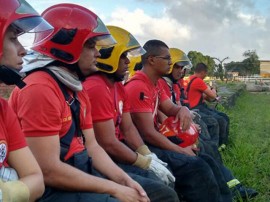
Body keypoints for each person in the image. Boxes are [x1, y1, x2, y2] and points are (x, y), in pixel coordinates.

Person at [8, 4, 155, 202]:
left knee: (154, 192)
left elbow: (93, 146)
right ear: (67, 46)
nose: (98, 53)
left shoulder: (75, 88)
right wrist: (114, 189)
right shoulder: (41, 89)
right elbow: (47, 170)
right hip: (52, 189)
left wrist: (124, 181)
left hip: (78, 170)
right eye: (91, 46)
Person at [125, 39, 232, 201]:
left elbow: (170, 108)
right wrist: (181, 150)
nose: (170, 62)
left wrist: (183, 110)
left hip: (154, 139)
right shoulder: (138, 86)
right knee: (196, 165)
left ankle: (230, 191)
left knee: (203, 156)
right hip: (142, 146)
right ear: (151, 60)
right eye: (167, 58)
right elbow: (148, 133)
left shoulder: (156, 83)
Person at [83, 25, 179, 201]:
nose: (128, 62)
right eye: (123, 56)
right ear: (107, 55)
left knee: (164, 179)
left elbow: (128, 128)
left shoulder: (118, 87)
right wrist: (142, 161)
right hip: (102, 158)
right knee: (163, 192)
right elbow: (108, 143)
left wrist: (147, 154)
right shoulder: (97, 87)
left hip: (116, 151)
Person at [158, 48, 258, 200]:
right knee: (206, 144)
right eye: (177, 66)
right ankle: (230, 188)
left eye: (182, 67)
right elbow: (162, 119)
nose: (181, 70)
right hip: (171, 132)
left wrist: (189, 125)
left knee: (209, 144)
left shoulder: (172, 85)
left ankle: (232, 186)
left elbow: (176, 109)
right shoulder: (157, 85)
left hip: (179, 126)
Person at [0, 0, 55, 201]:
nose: (23, 50)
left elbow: (37, 180)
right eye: (14, 38)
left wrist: (9, 193)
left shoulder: (2, 109)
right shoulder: (41, 87)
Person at [186, 62, 230, 147]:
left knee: (223, 117)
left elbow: (207, 98)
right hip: (197, 108)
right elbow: (213, 96)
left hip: (198, 106)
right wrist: (213, 89)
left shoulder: (190, 79)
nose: (206, 76)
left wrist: (208, 91)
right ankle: (217, 146)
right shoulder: (198, 81)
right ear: (202, 72)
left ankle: (223, 143)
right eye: (206, 73)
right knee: (220, 119)